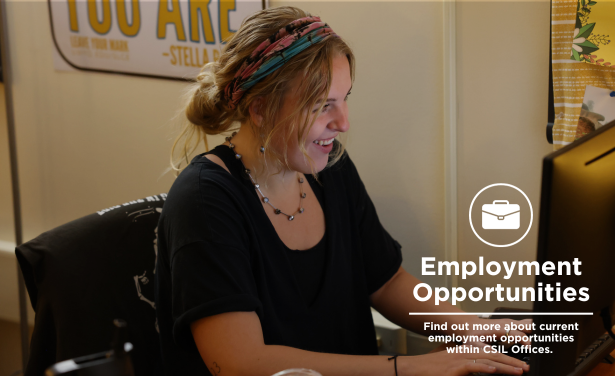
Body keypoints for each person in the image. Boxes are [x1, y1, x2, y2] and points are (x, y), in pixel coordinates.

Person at [155, 6, 531, 376]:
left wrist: (476, 327)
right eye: (322, 106)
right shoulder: (204, 201)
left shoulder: (328, 165)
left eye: (345, 98)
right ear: (260, 109)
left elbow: (386, 282)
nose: (343, 122)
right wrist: (411, 368)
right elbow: (241, 363)